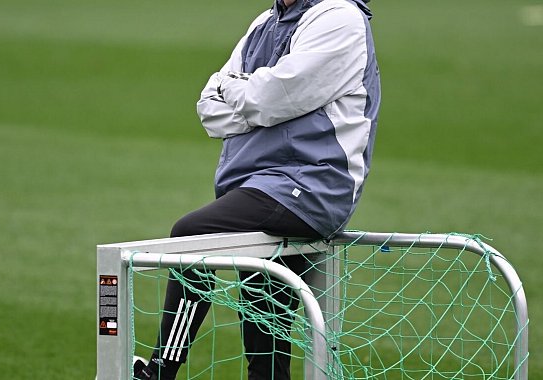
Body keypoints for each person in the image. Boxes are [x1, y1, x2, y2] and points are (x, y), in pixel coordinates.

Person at [135, 0, 380, 379]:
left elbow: (267, 98)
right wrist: (255, 98)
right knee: (265, 343)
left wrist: (244, 92)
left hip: (309, 187)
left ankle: (161, 370)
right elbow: (210, 109)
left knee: (191, 236)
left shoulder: (338, 17)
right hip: (259, 185)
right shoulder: (266, 21)